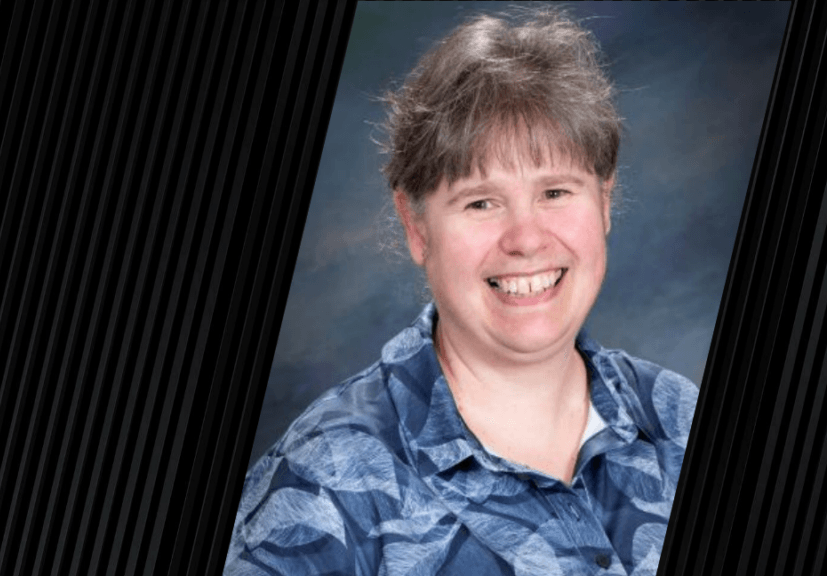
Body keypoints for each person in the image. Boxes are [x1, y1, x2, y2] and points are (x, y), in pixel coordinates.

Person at [225, 7, 698, 575]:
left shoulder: (677, 418)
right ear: (416, 226)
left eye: (555, 192)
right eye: (481, 202)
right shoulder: (325, 481)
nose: (526, 239)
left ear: (603, 201)